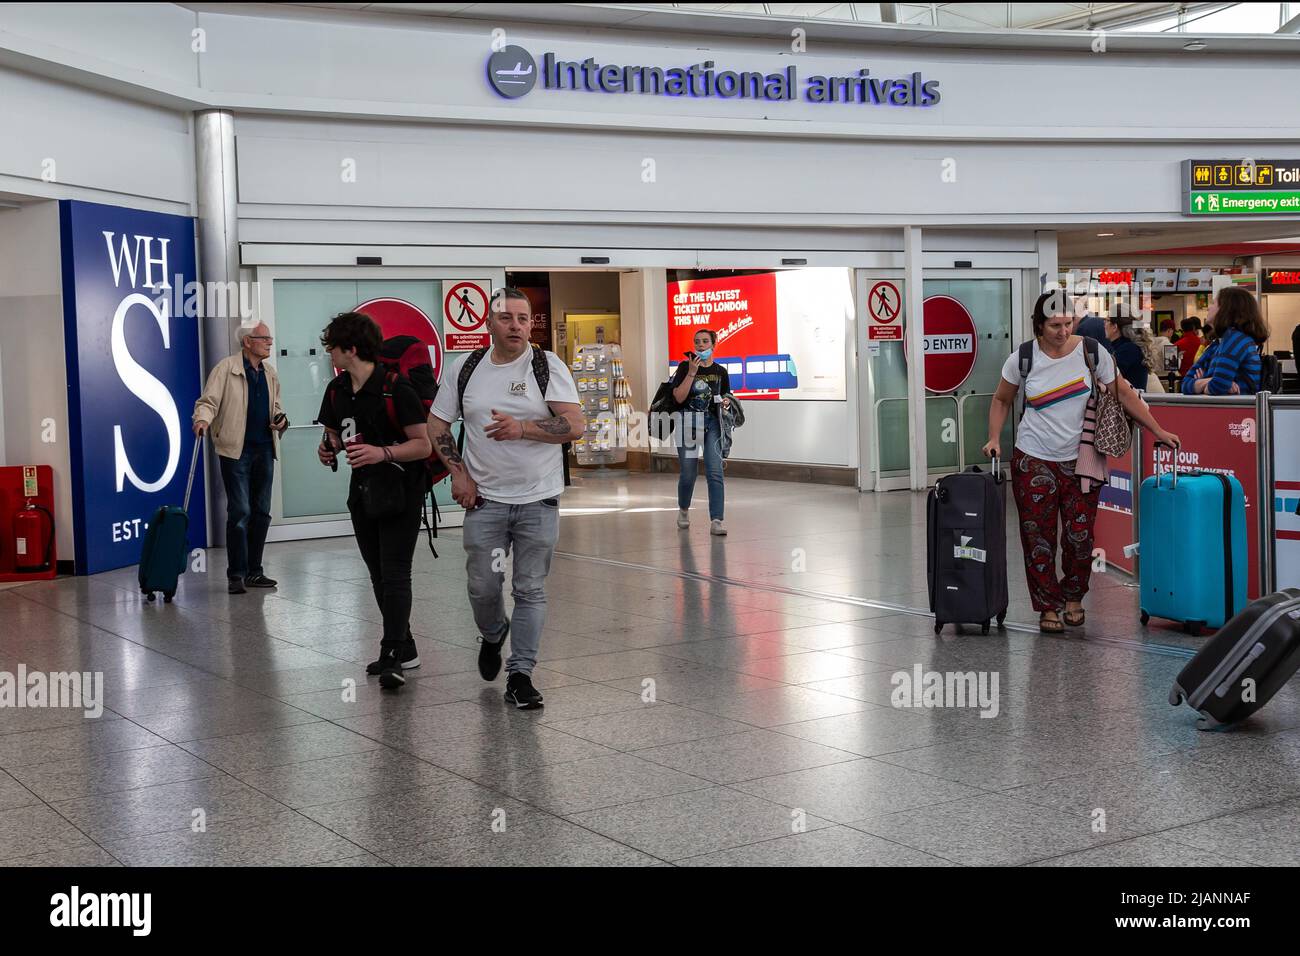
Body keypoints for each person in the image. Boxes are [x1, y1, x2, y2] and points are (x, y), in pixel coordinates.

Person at [984, 292, 1179, 633]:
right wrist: (994, 438)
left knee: (1079, 536)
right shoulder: (1024, 358)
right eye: (1054, 325)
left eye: (1067, 323)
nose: (1063, 331)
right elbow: (1002, 399)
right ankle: (1047, 606)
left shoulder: (1091, 351)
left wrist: (1156, 429)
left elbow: (1123, 392)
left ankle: (1073, 598)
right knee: (1038, 538)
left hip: (1082, 459)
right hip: (1033, 459)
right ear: (1039, 325)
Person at [428, 288, 582, 710]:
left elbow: (575, 424)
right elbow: (438, 422)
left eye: (523, 318)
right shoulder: (467, 367)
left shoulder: (546, 366)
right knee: (483, 585)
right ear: (489, 323)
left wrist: (525, 429)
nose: (516, 325)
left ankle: (521, 675)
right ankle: (494, 633)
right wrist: (458, 474)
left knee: (530, 588)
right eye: (506, 317)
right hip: (486, 501)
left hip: (539, 500)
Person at [316, 312, 432, 690]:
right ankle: (407, 645)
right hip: (363, 492)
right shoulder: (336, 391)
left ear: (350, 349)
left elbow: (422, 444)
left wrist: (383, 453)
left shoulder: (396, 389)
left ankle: (392, 653)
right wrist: (328, 449)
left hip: (402, 491)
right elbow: (336, 434)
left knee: (396, 572)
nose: (329, 352)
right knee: (378, 573)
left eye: (332, 346)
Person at [192, 322, 288, 595]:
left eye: (270, 337)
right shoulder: (226, 368)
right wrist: (202, 420)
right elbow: (208, 402)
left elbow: (277, 406)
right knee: (240, 512)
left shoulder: (270, 372)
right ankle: (236, 574)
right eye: (264, 338)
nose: (270, 342)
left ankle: (254, 572)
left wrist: (281, 420)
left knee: (261, 512)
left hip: (265, 449)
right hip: (236, 451)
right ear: (247, 341)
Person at [670, 328, 733, 536]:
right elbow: (678, 397)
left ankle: (717, 520)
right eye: (697, 341)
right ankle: (683, 510)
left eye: (705, 341)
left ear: (713, 345)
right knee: (688, 473)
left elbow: (727, 397)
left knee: (715, 472)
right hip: (688, 423)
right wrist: (691, 373)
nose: (700, 345)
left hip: (713, 424)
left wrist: (725, 402)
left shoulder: (721, 372)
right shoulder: (683, 368)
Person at [1181, 286, 1266, 397]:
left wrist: (1202, 382)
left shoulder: (1235, 339)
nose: (1208, 308)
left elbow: (1217, 387)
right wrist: (1208, 380)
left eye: (1213, 303)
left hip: (1239, 412)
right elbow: (1185, 384)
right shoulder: (1217, 343)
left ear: (1226, 309)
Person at [1104, 307, 1149, 391]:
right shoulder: (1128, 347)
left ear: (1115, 327)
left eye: (1107, 320)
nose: (1104, 323)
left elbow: (1108, 378)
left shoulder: (1127, 350)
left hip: (1129, 402)